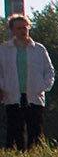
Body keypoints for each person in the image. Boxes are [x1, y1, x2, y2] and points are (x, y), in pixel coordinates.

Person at [1, 13, 54, 150]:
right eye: (19, 28)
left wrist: (43, 86)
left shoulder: (38, 49)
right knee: (15, 130)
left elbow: (49, 71)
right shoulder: (4, 50)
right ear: (12, 30)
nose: (22, 31)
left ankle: (35, 156)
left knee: (35, 130)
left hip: (34, 95)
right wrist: (4, 86)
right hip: (12, 95)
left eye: (25, 28)